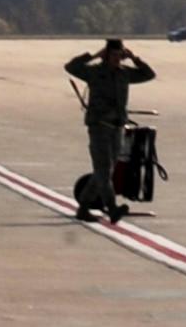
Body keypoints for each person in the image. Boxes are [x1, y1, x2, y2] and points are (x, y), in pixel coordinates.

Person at [65, 39, 156, 223]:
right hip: (99, 126)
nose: (117, 59)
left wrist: (134, 58)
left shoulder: (124, 74)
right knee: (104, 170)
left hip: (117, 128)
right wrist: (94, 55)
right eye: (114, 55)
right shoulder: (95, 72)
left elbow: (149, 74)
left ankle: (83, 207)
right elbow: (71, 67)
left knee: (103, 171)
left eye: (120, 55)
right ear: (107, 55)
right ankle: (112, 208)